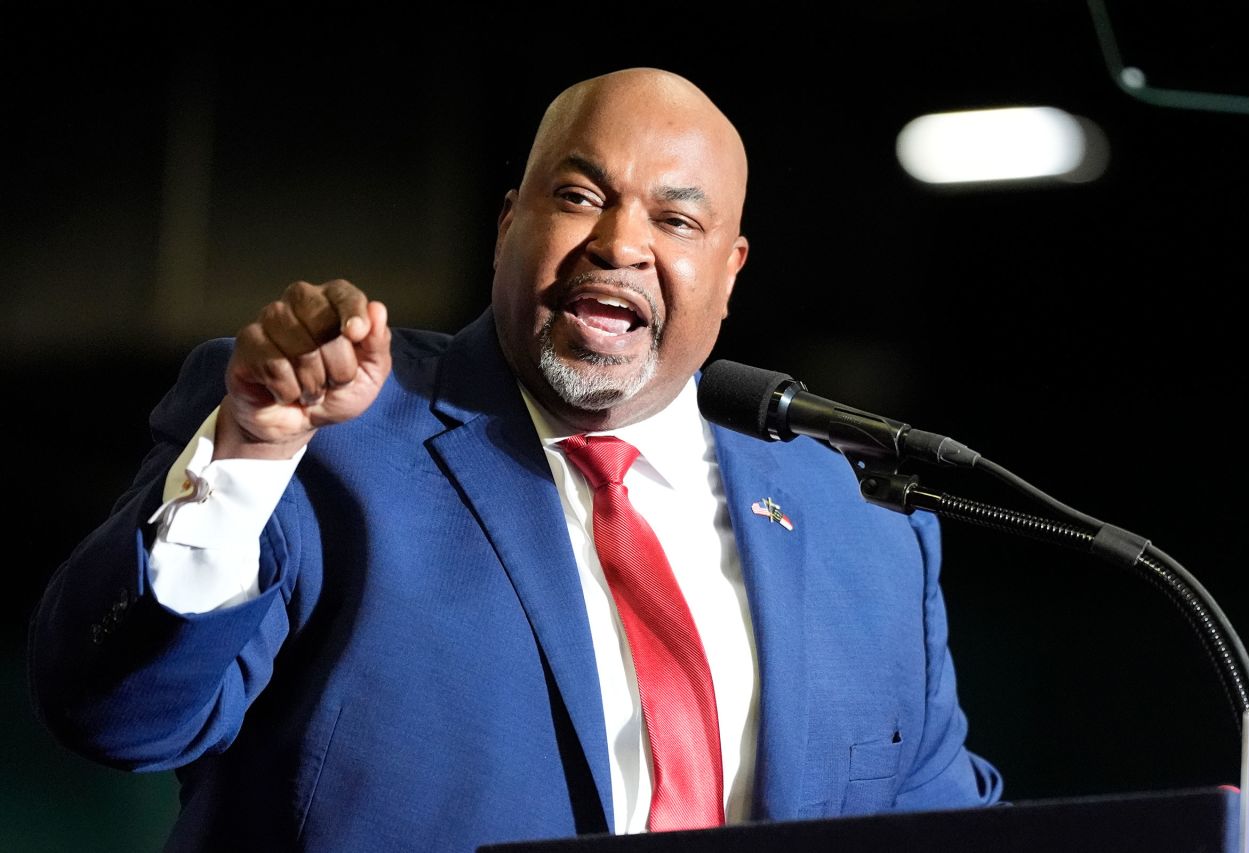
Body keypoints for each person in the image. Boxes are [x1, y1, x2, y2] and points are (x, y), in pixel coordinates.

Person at [29, 68, 1001, 852]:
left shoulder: (859, 525)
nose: (618, 242)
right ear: (507, 227)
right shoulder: (326, 433)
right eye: (579, 196)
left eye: (674, 219)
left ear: (729, 270)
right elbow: (118, 717)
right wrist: (249, 457)